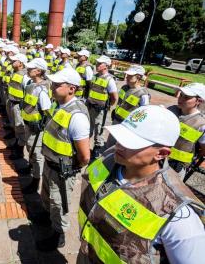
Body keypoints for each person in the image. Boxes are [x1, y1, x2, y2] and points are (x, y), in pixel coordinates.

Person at [78, 105, 205, 264]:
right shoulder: (109, 160)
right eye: (121, 136)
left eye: (132, 142)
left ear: (161, 153)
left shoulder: (178, 216)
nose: (119, 144)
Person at [35, 68, 90, 251]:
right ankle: (47, 218)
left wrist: (71, 168)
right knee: (47, 195)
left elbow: (84, 156)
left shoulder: (78, 116)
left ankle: (58, 235)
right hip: (50, 163)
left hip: (63, 170)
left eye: (57, 85)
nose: (52, 87)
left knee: (59, 203)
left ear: (71, 89)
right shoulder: (58, 104)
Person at [20, 58, 52, 193]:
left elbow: (47, 110)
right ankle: (31, 167)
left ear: (39, 71)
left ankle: (36, 179)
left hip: (36, 128)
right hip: (28, 124)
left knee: (37, 154)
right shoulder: (30, 84)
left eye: (31, 68)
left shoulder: (41, 90)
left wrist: (42, 125)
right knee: (30, 148)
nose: (27, 69)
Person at [168, 83, 205, 179]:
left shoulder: (201, 124)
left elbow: (203, 149)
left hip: (176, 168)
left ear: (198, 101)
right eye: (181, 95)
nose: (180, 98)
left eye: (187, 97)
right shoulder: (171, 111)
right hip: (155, 159)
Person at [87, 55, 118, 159]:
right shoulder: (95, 76)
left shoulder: (109, 80)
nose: (97, 65)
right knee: (88, 129)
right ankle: (85, 149)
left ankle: (96, 152)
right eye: (97, 63)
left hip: (100, 111)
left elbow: (114, 97)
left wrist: (108, 106)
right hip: (90, 107)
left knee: (98, 131)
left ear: (106, 66)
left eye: (99, 64)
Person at [6, 53, 30, 165]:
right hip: (12, 102)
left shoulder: (25, 77)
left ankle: (20, 151)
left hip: (19, 105)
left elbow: (27, 92)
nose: (12, 62)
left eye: (14, 61)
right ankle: (17, 143)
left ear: (20, 63)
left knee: (20, 127)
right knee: (16, 126)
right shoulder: (15, 73)